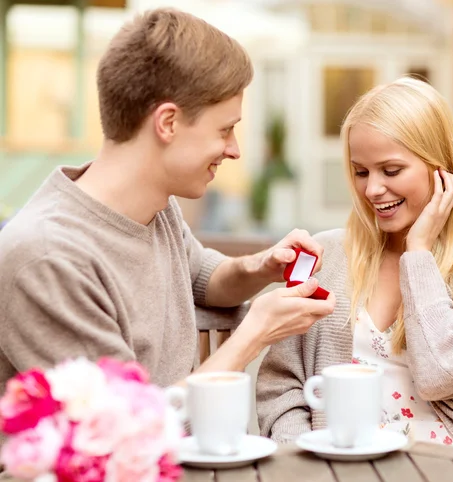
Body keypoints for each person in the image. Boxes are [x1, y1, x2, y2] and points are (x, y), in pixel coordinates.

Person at [0, 7, 335, 396]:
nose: (234, 150)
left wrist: (259, 267)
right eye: (225, 129)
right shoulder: (47, 259)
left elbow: (201, 279)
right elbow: (128, 426)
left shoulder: (156, 208)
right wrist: (254, 335)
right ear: (168, 123)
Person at [256, 77, 453, 453]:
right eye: (361, 172)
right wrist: (303, 458)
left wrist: (418, 253)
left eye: (390, 171)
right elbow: (280, 384)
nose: (373, 189)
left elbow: (441, 375)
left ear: (442, 171)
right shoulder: (324, 254)